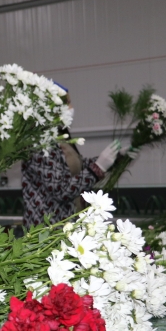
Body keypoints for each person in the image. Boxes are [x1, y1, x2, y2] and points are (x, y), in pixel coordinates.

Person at [21, 87, 132, 227]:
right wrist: (97, 169)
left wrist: (115, 158)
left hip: (69, 223)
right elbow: (61, 190)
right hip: (49, 229)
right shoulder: (39, 144)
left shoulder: (59, 137)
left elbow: (77, 166)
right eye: (67, 102)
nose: (71, 107)